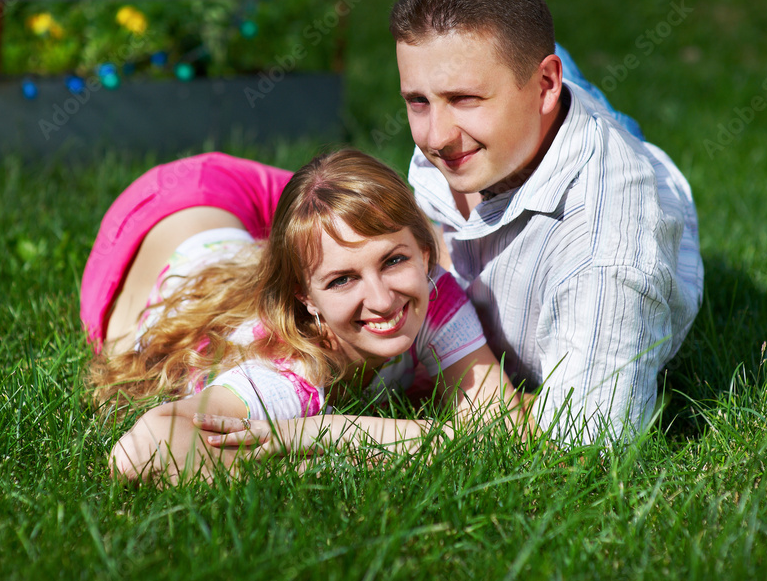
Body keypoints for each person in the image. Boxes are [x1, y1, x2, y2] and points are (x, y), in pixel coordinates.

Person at [391, 0, 703, 444]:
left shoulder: (606, 258)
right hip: (545, 110)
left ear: (544, 86)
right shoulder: (463, 129)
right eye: (417, 101)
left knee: (599, 118)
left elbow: (589, 445)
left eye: (465, 98)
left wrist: (327, 437)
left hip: (605, 161)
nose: (435, 137)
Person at [83, 149, 530, 483]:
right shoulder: (286, 377)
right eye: (342, 281)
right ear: (305, 300)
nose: (382, 300)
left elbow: (496, 431)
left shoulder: (431, 288)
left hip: (242, 204)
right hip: (160, 216)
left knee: (343, 223)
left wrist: (322, 433)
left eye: (394, 261)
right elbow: (140, 451)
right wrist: (308, 451)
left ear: (426, 256)